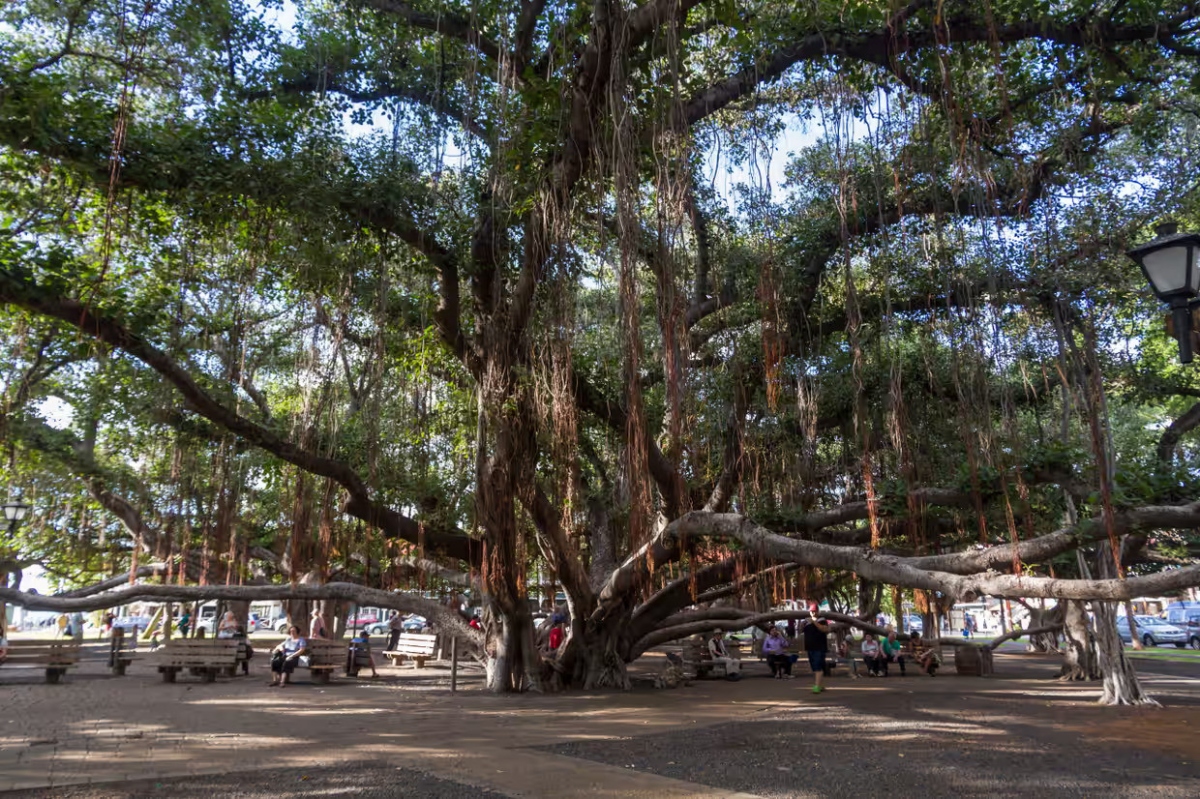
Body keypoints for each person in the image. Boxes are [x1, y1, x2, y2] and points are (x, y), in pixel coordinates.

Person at [802, 606, 831, 694]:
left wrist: (814, 622)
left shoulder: (822, 620)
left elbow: (825, 629)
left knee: (818, 666)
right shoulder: (807, 622)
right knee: (814, 667)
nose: (813, 613)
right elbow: (803, 632)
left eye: (815, 611)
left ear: (818, 611)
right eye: (811, 611)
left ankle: (817, 686)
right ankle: (820, 684)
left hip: (819, 647)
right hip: (810, 647)